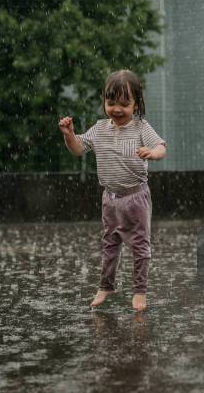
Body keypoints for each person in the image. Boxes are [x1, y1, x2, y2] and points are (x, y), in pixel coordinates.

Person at [58, 70, 166, 311]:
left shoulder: (141, 127)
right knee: (110, 243)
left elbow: (161, 146)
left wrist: (153, 153)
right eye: (111, 102)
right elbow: (78, 149)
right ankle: (106, 285)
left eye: (124, 104)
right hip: (109, 198)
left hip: (135, 197)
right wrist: (69, 136)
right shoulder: (99, 129)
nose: (117, 109)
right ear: (104, 101)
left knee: (140, 245)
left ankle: (139, 291)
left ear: (136, 104)